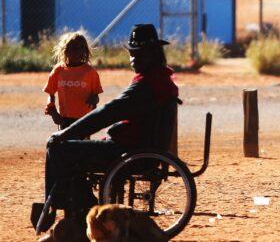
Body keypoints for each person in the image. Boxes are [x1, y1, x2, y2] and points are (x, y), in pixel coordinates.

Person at [38, 24, 178, 231]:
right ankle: (77, 207)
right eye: (132, 54)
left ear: (153, 54)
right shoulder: (158, 79)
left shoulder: (148, 85)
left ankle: (84, 210)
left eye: (138, 55)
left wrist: (67, 132)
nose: (133, 60)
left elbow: (109, 112)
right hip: (134, 145)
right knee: (69, 149)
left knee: (58, 149)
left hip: (129, 150)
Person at [43, 32, 103, 129]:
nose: (78, 51)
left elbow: (96, 96)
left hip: (85, 118)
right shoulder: (58, 70)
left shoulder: (90, 72)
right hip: (64, 118)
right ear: (65, 50)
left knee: (83, 144)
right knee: (66, 143)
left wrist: (94, 100)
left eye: (81, 48)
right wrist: (53, 111)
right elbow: (51, 94)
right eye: (74, 48)